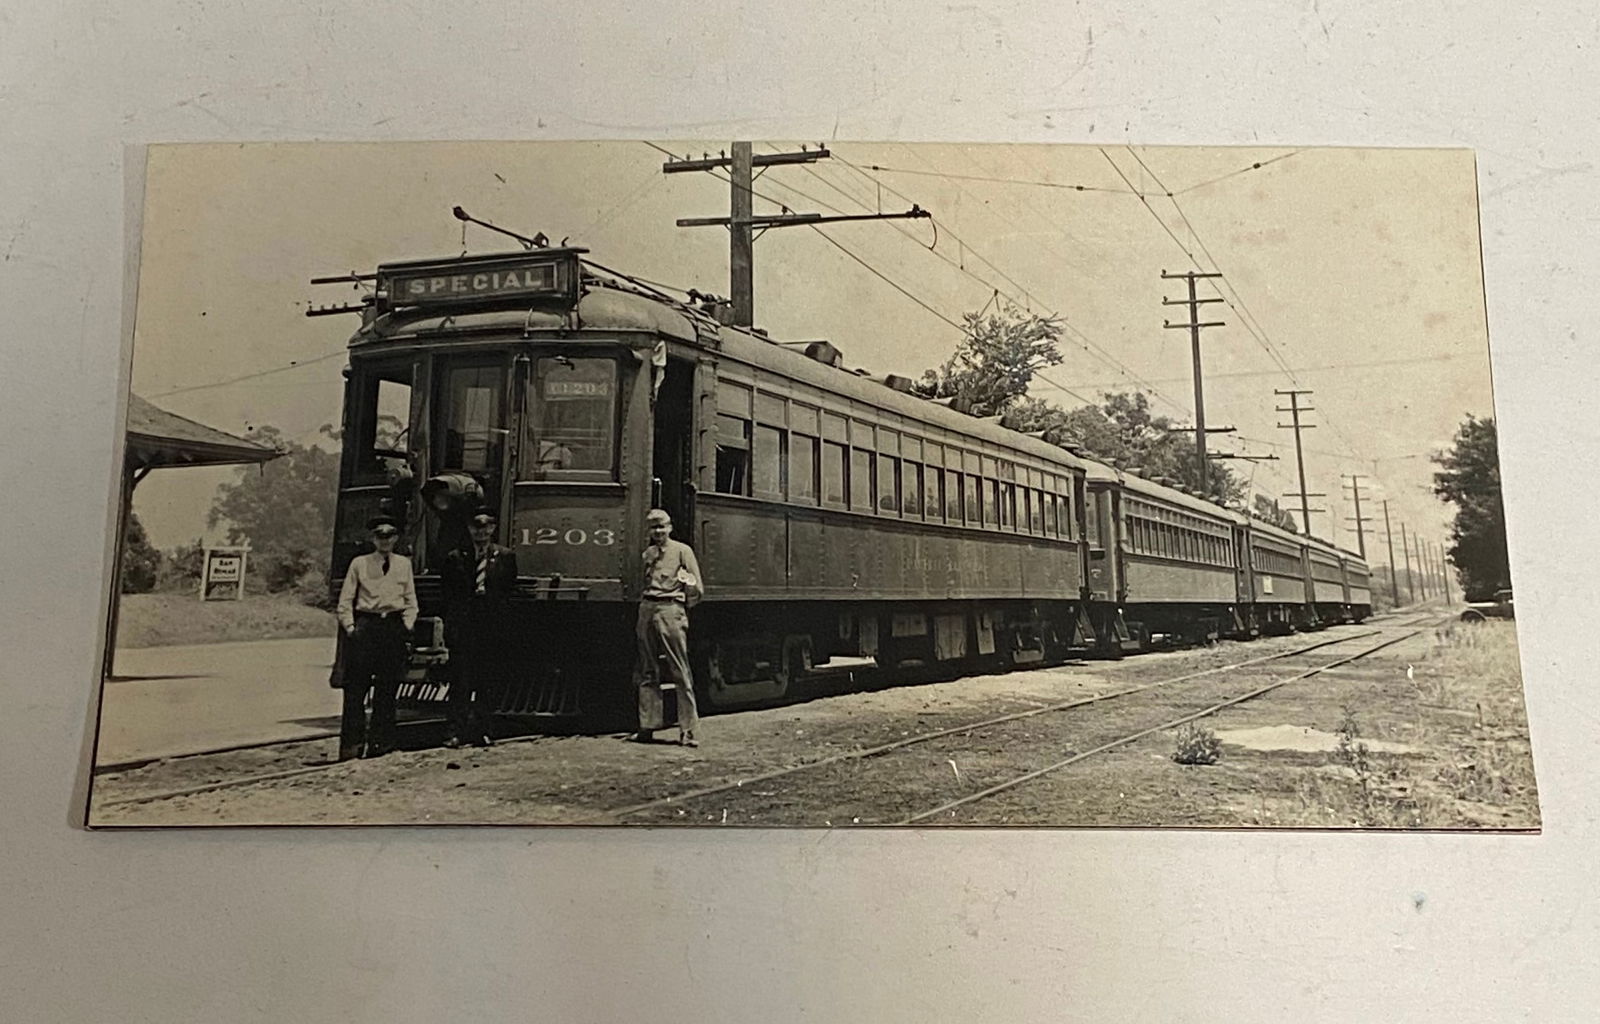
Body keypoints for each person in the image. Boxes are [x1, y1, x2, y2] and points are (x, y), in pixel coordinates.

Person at [336, 516, 418, 760]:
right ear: (373, 539)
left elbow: (410, 599)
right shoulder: (359, 563)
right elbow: (345, 600)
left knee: (387, 689)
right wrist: (351, 628)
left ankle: (381, 744)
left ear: (395, 538)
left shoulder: (403, 564)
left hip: (392, 627)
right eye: (380, 537)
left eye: (390, 536)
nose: (385, 541)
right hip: (367, 626)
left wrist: (407, 624)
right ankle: (352, 746)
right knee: (356, 690)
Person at [440, 507, 518, 747]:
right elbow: (449, 596)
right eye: (476, 527)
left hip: (491, 626)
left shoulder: (505, 557)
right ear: (470, 529)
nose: (481, 532)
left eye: (485, 527)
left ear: (493, 529)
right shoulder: (456, 557)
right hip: (465, 626)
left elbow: (508, 593)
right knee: (460, 681)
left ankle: (483, 730)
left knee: (487, 680)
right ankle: (455, 732)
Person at [633, 508, 704, 746]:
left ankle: (689, 730)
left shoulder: (683, 552)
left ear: (670, 527)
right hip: (647, 609)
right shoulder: (648, 554)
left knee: (679, 670)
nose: (658, 532)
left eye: (662, 527)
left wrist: (679, 608)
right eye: (654, 528)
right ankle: (647, 725)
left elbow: (697, 589)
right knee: (647, 670)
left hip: (670, 610)